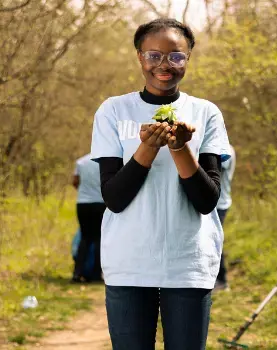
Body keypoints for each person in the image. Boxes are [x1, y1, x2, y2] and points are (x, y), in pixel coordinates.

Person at [88, 18, 231, 349]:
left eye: (176, 56)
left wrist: (180, 149)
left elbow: (206, 201)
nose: (164, 65)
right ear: (139, 57)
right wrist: (148, 148)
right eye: (154, 55)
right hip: (129, 262)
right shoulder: (113, 111)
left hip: (188, 262)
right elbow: (114, 198)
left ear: (188, 58)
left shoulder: (205, 113)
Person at [72, 154, 105, 283]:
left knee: (85, 237)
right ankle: (97, 274)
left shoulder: (81, 162)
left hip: (83, 203)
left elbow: (75, 182)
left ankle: (77, 272)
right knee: (98, 238)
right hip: (101, 202)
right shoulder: (104, 161)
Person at [216, 144, 235, 290]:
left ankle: (222, 280)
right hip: (213, 203)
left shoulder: (225, 149)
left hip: (219, 204)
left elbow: (214, 167)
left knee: (215, 239)